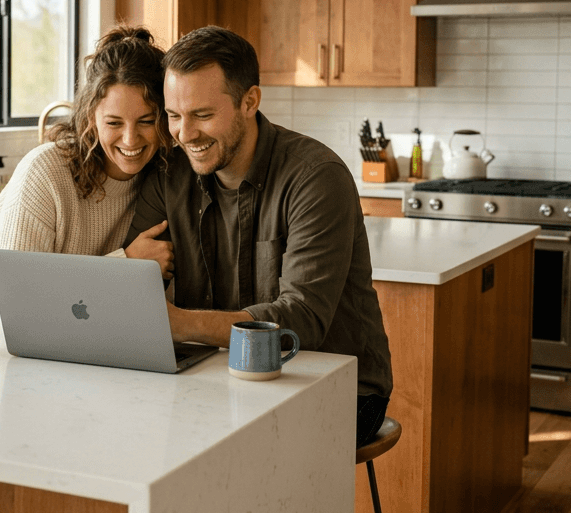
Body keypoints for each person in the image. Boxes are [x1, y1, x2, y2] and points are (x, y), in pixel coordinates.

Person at [125, 25, 393, 447]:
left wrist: (178, 324)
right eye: (174, 116)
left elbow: (303, 319)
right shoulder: (168, 175)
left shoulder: (316, 177)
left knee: (211, 448)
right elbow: (136, 287)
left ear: (250, 101)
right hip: (221, 379)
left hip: (339, 388)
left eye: (203, 115)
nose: (184, 134)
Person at [0, 26, 176, 319]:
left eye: (146, 121)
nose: (131, 139)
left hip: (66, 334)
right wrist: (127, 265)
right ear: (90, 117)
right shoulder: (44, 172)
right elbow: (14, 299)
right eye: (114, 123)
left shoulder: (161, 179)